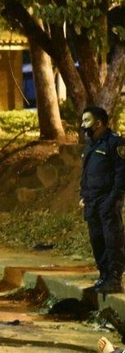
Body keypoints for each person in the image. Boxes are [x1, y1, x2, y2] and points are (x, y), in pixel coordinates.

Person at [80, 106, 125, 294]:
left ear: (98, 123)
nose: (82, 125)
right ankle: (103, 276)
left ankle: (114, 279)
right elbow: (86, 173)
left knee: (112, 239)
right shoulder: (91, 145)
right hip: (91, 201)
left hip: (108, 200)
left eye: (86, 121)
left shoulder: (115, 143)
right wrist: (83, 195)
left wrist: (113, 199)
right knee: (96, 239)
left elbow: (121, 174)